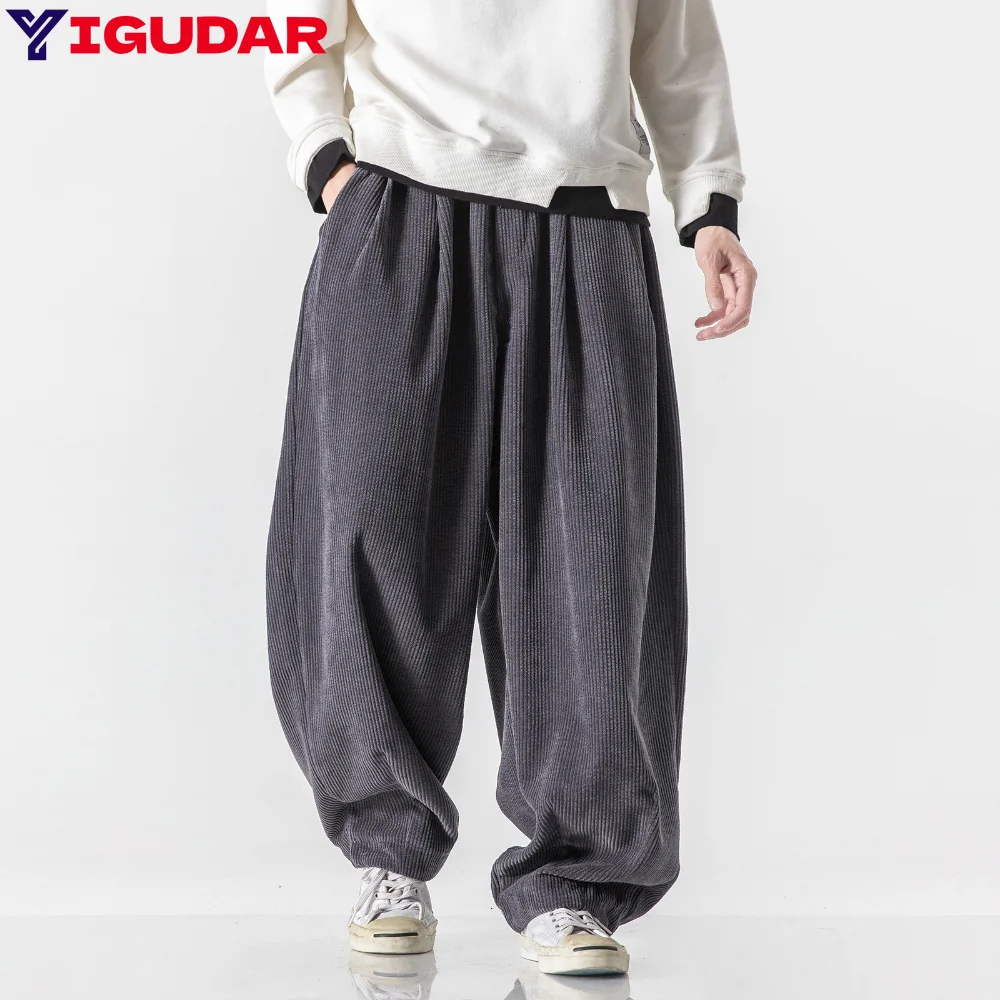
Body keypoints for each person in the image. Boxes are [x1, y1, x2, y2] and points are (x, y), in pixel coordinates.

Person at [263, 0, 757, 978]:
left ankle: (574, 882)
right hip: (398, 198)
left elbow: (676, 39)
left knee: (592, 561)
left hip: (586, 214)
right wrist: (325, 157)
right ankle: (387, 850)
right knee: (368, 531)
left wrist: (707, 202)